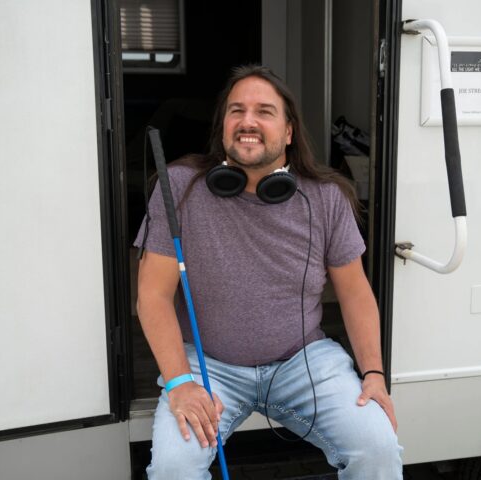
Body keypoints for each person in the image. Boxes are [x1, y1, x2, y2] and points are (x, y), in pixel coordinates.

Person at [134, 64, 403, 479]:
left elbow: (355, 293)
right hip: (210, 366)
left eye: (264, 111)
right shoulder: (179, 187)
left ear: (289, 131)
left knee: (378, 446)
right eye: (236, 110)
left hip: (304, 361)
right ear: (223, 126)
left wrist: (374, 374)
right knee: (173, 468)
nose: (248, 121)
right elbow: (152, 296)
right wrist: (180, 383)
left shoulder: (327, 197)